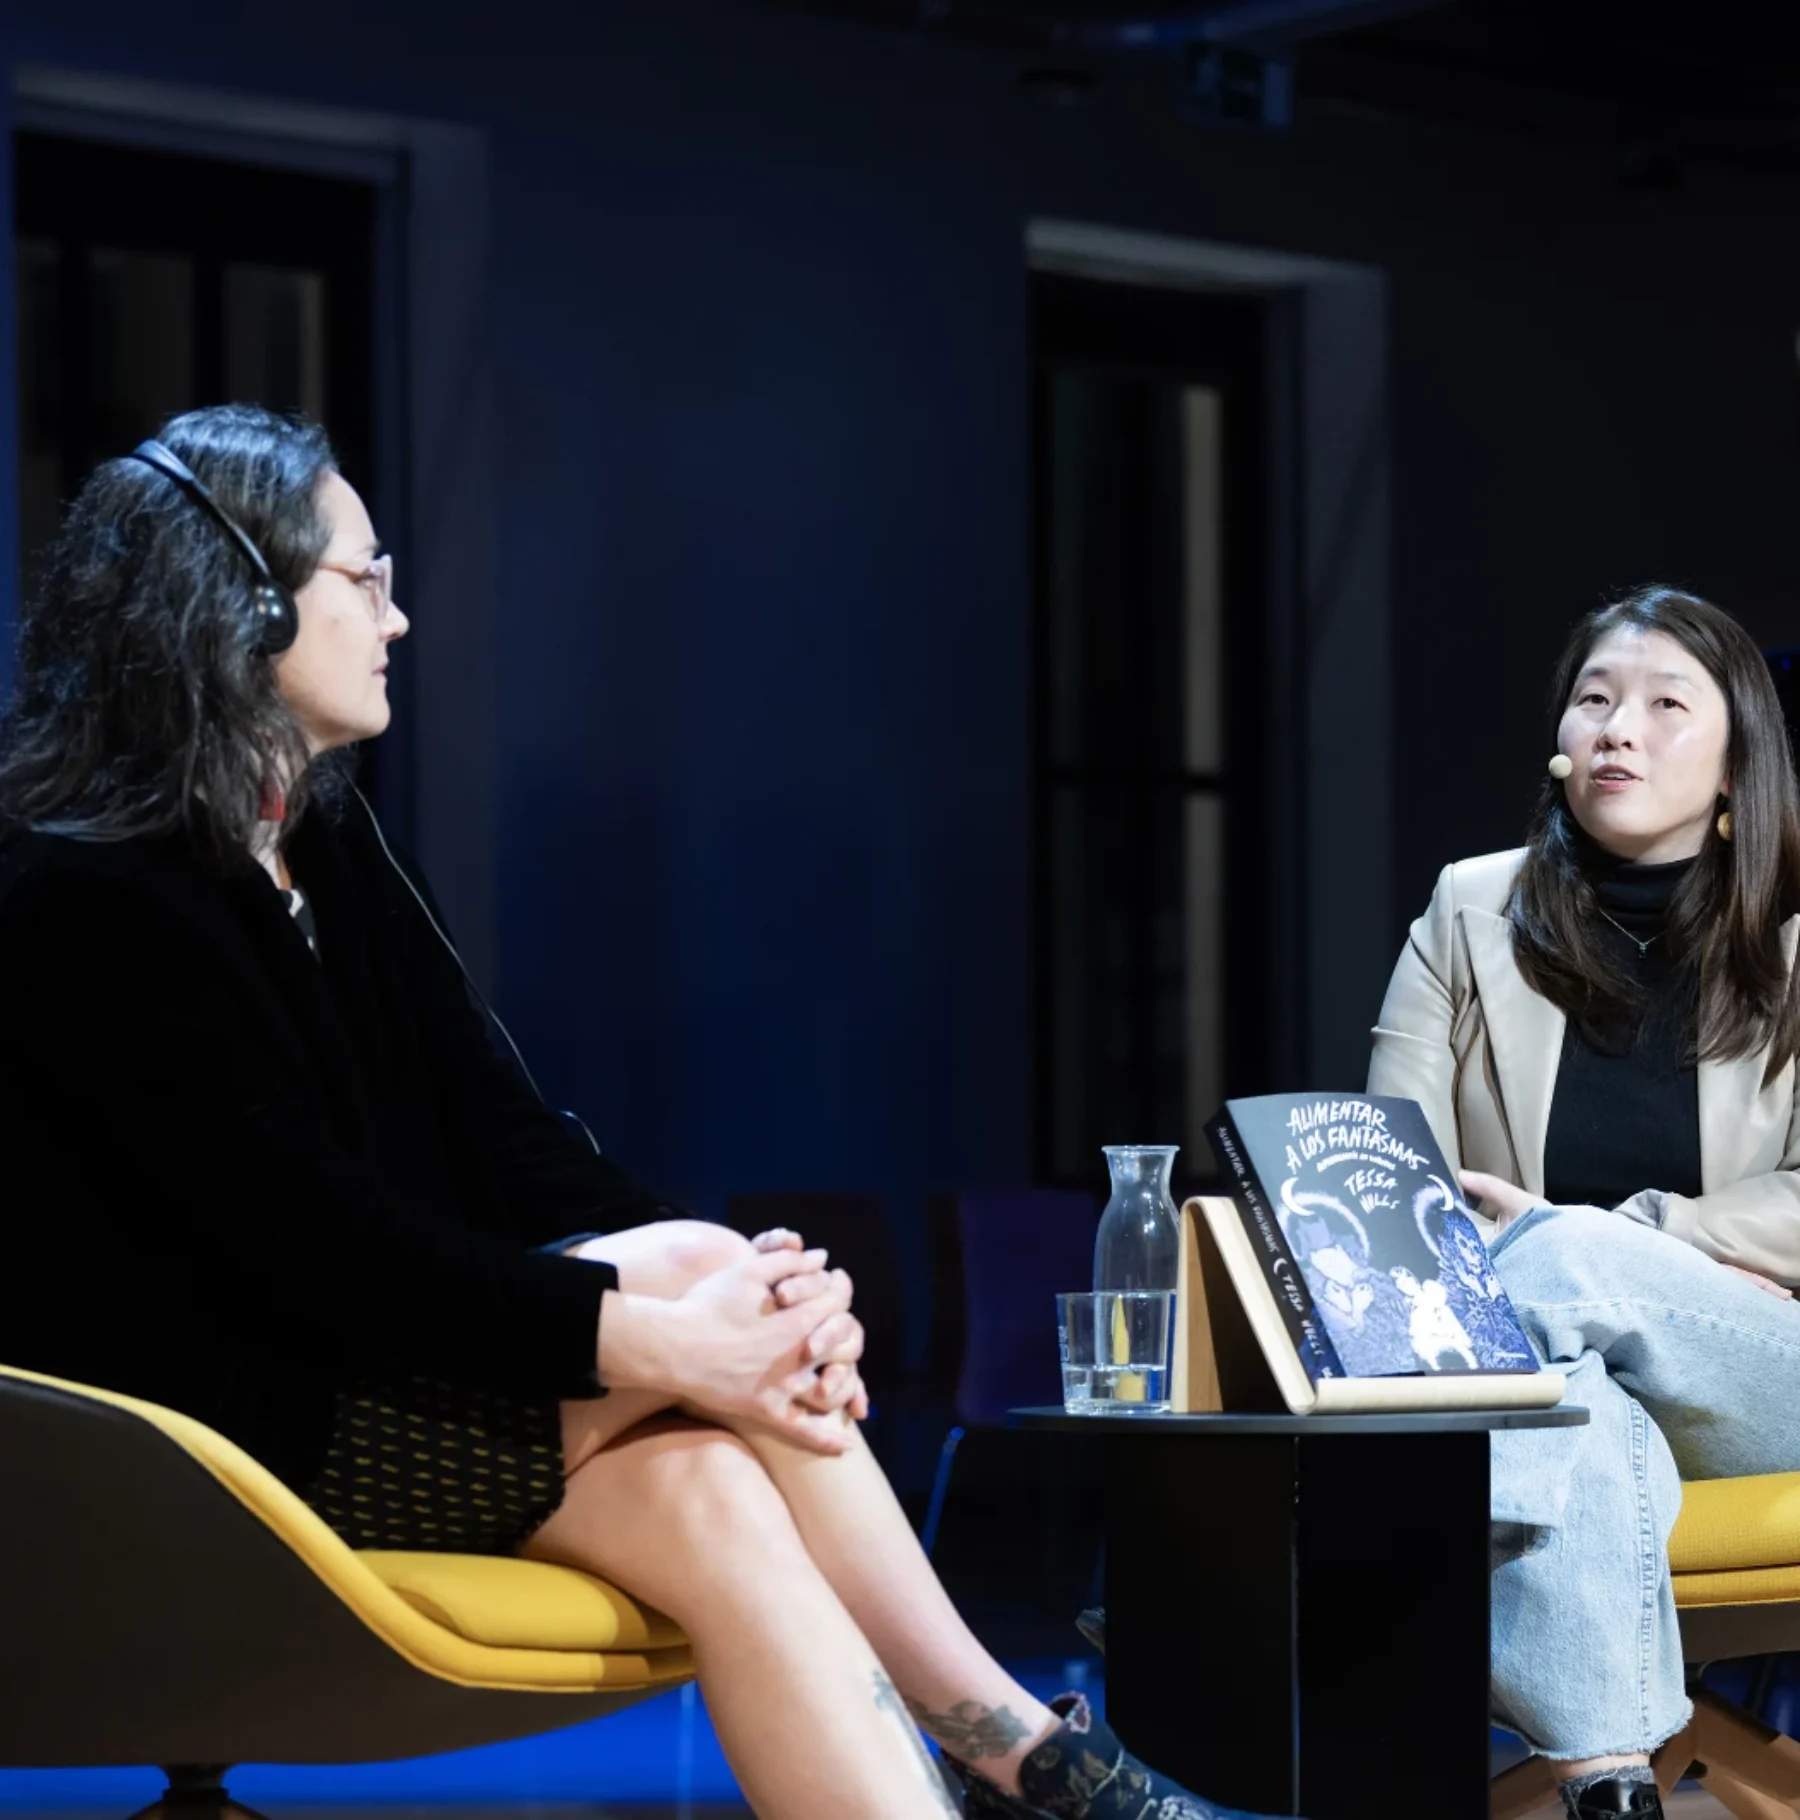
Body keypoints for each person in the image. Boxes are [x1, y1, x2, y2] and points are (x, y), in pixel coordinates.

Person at [0, 405, 1293, 1820]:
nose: (399, 616)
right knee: (685, 1279)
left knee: (712, 1484)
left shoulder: (330, 839)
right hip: (207, 1457)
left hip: (376, 1391)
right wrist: (682, 1334)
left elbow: (514, 1140)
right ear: (245, 604)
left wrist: (762, 1305)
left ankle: (1006, 1765)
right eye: (366, 579)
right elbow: (326, 1255)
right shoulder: (92, 900)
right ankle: (1032, 1756)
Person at [1369, 585, 1800, 1820]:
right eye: (1596, 698)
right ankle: (1612, 1788)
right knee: (1565, 1399)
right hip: (1539, 1383)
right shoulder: (1470, 911)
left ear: (1738, 764)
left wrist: (1642, 1237)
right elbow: (1395, 1189)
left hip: (1758, 1370)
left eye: (1666, 705)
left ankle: (1295, 1553)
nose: (1618, 726)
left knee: (1558, 1263)